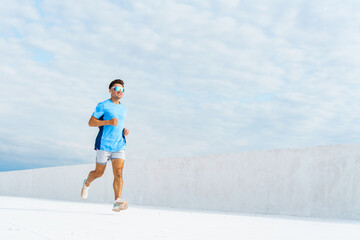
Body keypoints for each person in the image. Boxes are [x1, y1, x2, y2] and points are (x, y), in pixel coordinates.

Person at [81, 79, 129, 212]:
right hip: (104, 145)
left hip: (119, 144)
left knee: (118, 173)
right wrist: (107, 122)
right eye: (116, 89)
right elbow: (91, 122)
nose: (119, 92)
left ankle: (117, 201)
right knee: (98, 173)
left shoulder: (123, 108)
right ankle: (87, 183)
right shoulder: (103, 105)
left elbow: (118, 125)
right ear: (110, 90)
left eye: (122, 90)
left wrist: (124, 131)